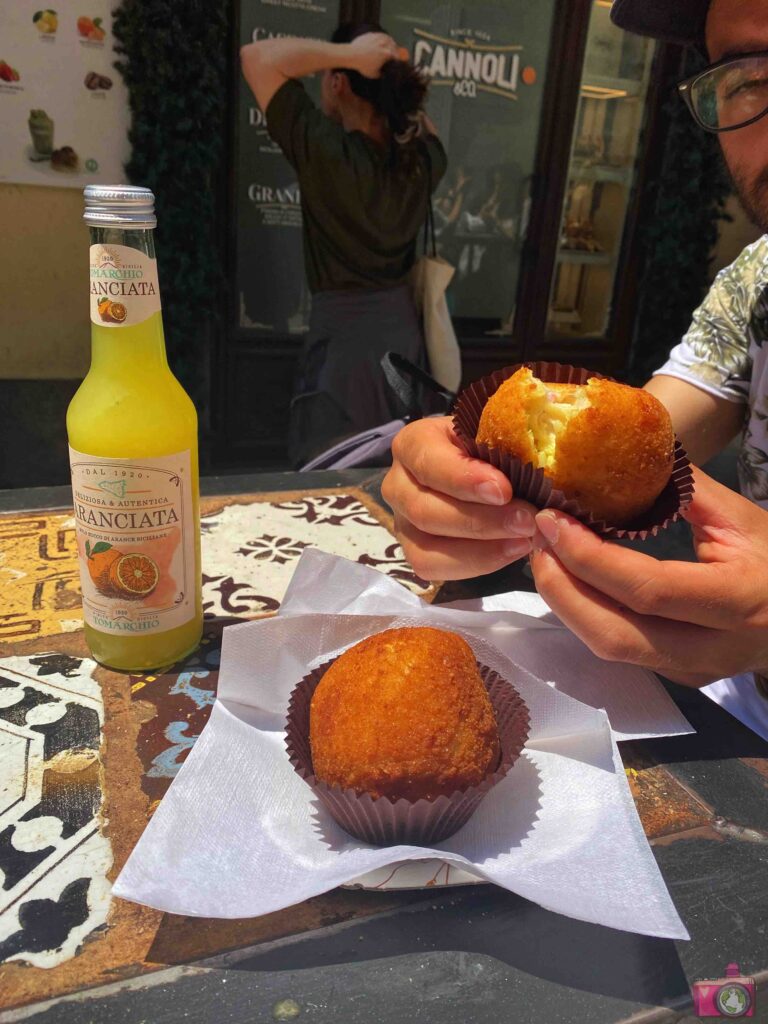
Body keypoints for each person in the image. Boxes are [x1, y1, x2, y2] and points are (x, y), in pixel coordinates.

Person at [381, 0, 768, 733]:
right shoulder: (760, 285)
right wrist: (467, 473)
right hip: (728, 722)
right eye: (748, 77)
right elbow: (634, 439)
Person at [240, 24, 447, 468]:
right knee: (399, 471)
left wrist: (348, 54)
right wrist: (394, 74)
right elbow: (422, 125)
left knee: (330, 471)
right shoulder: (424, 159)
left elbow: (256, 57)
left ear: (337, 82)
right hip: (402, 338)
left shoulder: (328, 151)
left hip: (344, 346)